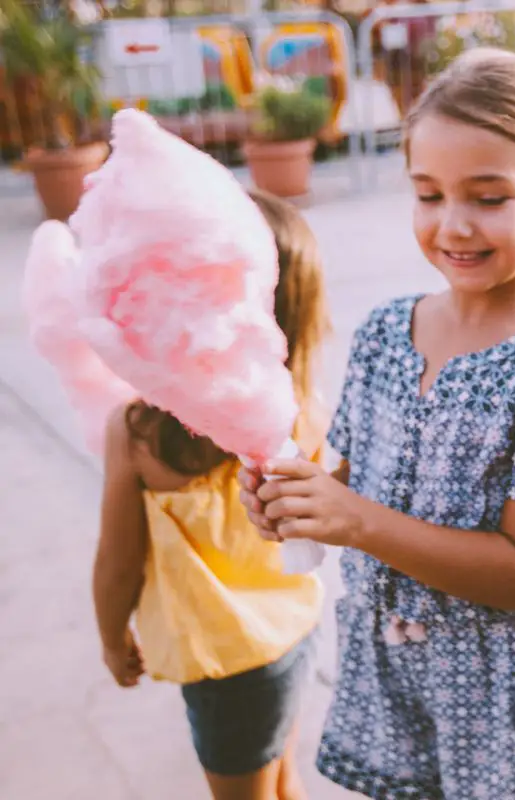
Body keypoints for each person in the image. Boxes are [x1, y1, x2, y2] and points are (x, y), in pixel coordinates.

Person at [239, 49, 515, 800]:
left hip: (493, 695)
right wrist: (296, 503)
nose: (453, 225)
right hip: (390, 677)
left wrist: (354, 520)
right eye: (428, 193)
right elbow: (349, 486)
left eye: (488, 197)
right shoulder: (385, 330)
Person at [92, 188, 332, 800]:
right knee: (280, 775)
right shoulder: (304, 413)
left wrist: (113, 638)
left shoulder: (141, 433)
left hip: (225, 663)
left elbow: (118, 563)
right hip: (293, 631)